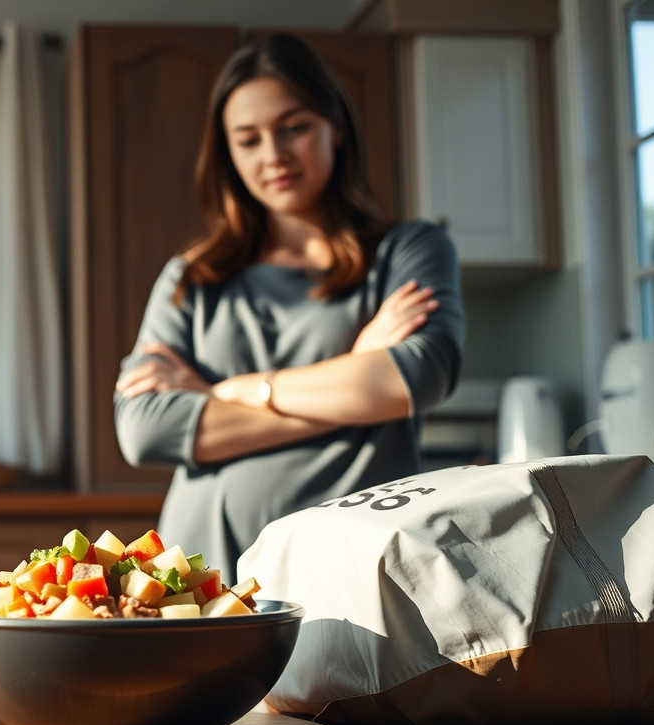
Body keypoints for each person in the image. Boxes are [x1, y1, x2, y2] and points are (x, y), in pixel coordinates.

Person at [113, 33, 465, 580]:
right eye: (248, 139)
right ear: (227, 153)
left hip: (356, 568)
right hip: (206, 570)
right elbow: (143, 429)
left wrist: (223, 393)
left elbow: (416, 377)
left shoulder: (408, 250)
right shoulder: (191, 278)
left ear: (335, 127)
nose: (273, 155)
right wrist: (355, 376)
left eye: (294, 128)